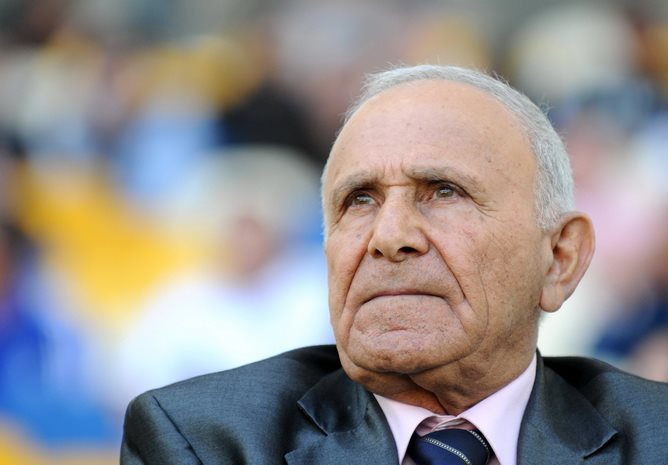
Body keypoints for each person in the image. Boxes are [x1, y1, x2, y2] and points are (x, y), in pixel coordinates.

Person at [120, 64, 668, 464]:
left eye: (444, 191)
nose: (388, 237)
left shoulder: (655, 438)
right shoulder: (207, 442)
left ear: (559, 258)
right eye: (359, 200)